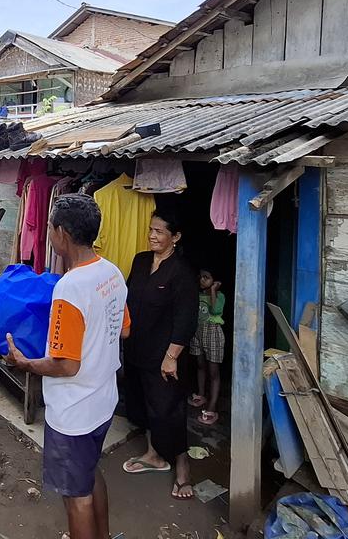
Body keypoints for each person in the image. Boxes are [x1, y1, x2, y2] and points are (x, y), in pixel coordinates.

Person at [4, 194, 129, 539]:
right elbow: (124, 328)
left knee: (77, 497)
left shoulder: (70, 288)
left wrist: (25, 363)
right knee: (89, 474)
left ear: (60, 232)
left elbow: (67, 365)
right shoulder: (112, 272)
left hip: (74, 411)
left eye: (49, 228)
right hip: (103, 400)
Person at [120, 210, 199, 501]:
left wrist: (172, 356)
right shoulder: (141, 261)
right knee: (143, 404)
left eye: (160, 232)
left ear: (175, 237)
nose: (153, 235)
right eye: (151, 229)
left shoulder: (181, 272)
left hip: (164, 355)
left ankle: (182, 467)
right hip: (136, 348)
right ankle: (154, 454)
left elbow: (186, 319)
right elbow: (128, 299)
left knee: (169, 409)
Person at [188, 269, 226, 425]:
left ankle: (212, 407)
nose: (203, 280)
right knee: (200, 365)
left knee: (213, 371)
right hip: (198, 332)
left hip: (213, 334)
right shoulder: (196, 295)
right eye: (201, 277)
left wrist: (212, 291)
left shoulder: (219, 296)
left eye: (207, 278)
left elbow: (215, 310)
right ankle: (201, 394)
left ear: (215, 280)